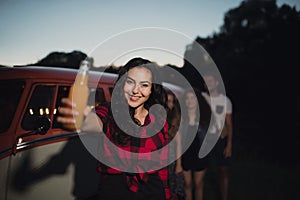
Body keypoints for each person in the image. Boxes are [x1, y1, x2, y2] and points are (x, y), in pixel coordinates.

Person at [57, 57, 171, 200]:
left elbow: (163, 165)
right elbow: (95, 121)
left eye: (144, 85)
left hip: (152, 192)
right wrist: (82, 119)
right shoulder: (109, 111)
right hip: (115, 191)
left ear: (152, 89)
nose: (135, 90)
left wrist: (167, 195)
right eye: (130, 82)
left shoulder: (158, 120)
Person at [202, 72, 233, 200]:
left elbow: (229, 124)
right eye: (206, 81)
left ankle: (224, 197)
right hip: (204, 138)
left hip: (220, 138)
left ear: (217, 83)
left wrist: (229, 145)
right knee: (201, 171)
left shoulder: (225, 100)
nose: (209, 83)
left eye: (211, 81)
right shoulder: (201, 98)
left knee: (223, 170)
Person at [180, 88, 211, 200]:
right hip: (185, 155)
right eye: (187, 98)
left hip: (200, 155)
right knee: (187, 184)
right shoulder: (181, 118)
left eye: (192, 98)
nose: (190, 100)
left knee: (198, 184)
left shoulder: (205, 118)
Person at [166, 90, 185, 200]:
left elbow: (178, 143)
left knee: (173, 190)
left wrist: (179, 164)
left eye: (171, 102)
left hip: (171, 159)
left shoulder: (175, 120)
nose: (169, 104)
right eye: (167, 101)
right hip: (158, 160)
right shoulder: (156, 117)